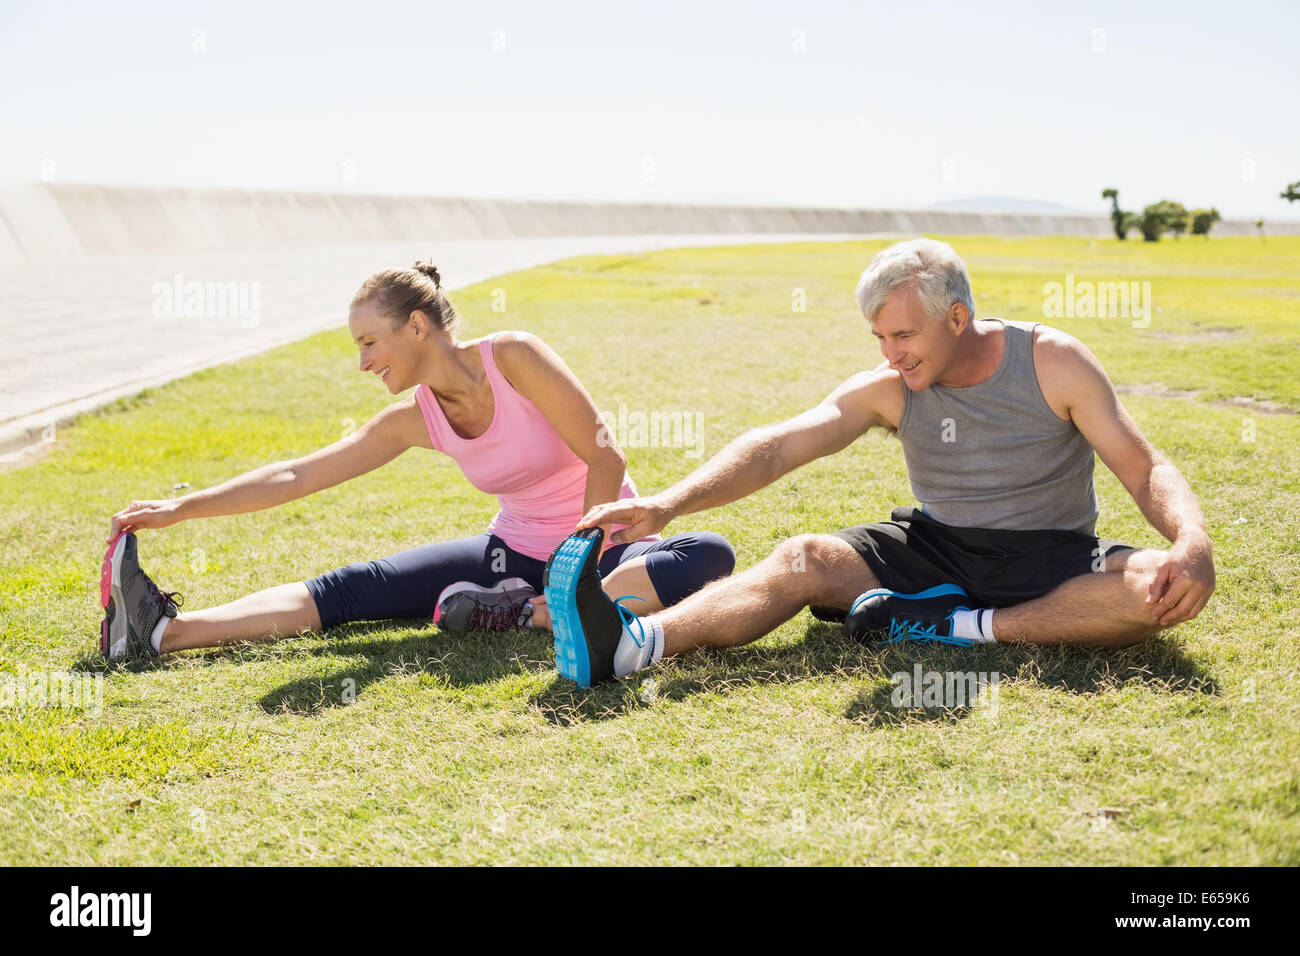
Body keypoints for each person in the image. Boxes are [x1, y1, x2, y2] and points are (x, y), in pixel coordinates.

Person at [548, 238, 1216, 686]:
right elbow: (779, 445)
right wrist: (667, 505)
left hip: (1049, 556)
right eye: (879, 337)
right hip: (931, 548)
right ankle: (634, 645)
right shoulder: (889, 387)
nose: (890, 354)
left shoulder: (1052, 361)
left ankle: (953, 625)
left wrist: (1190, 540)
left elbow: (1142, 464)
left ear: (956, 318)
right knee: (803, 558)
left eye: (903, 335)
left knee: (1156, 587)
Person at [100, 261, 734, 661]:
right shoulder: (414, 419)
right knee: (349, 589)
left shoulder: (512, 358)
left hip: (606, 550)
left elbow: (604, 453)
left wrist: (581, 557)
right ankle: (164, 633)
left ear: (417, 326)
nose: (364, 362)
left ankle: (536, 611)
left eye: (370, 342)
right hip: (505, 557)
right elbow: (301, 473)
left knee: (707, 555)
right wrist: (181, 508)